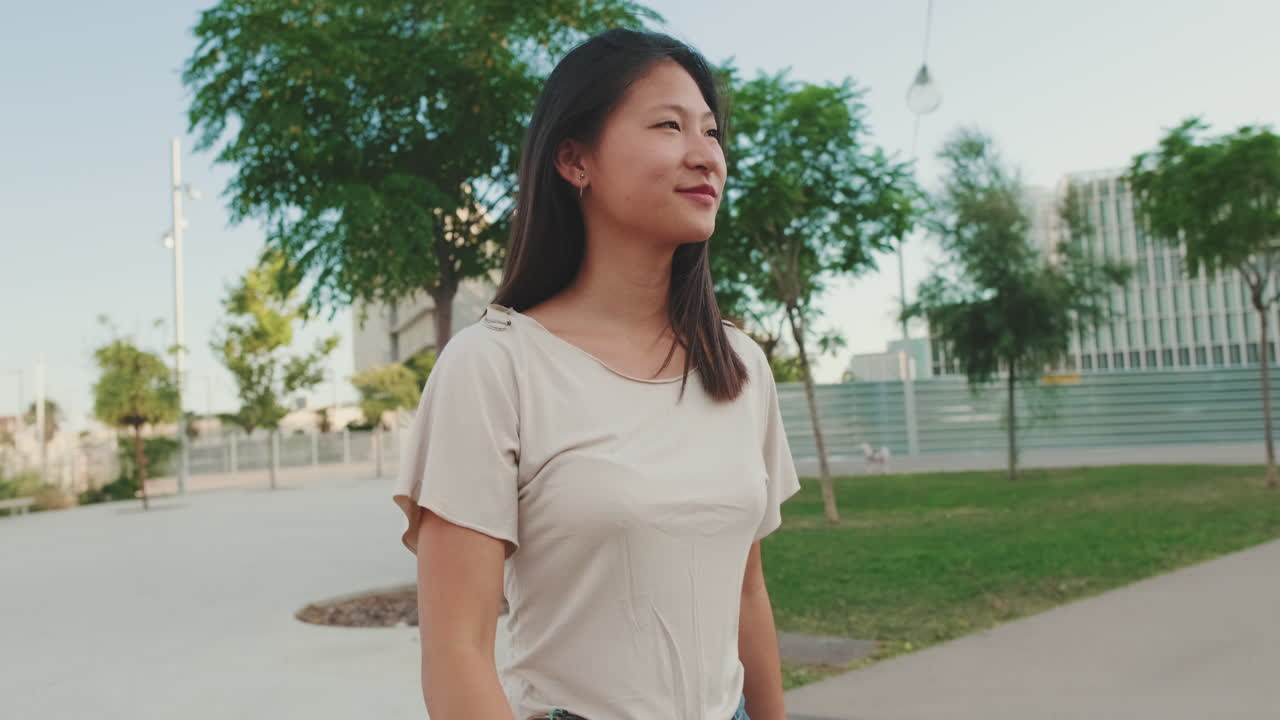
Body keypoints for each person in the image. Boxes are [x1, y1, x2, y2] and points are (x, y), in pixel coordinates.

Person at [393, 27, 801, 720]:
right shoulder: (495, 366)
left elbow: (745, 592)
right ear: (574, 158)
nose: (706, 154)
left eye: (711, 132)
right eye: (669, 126)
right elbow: (457, 652)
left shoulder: (738, 366)